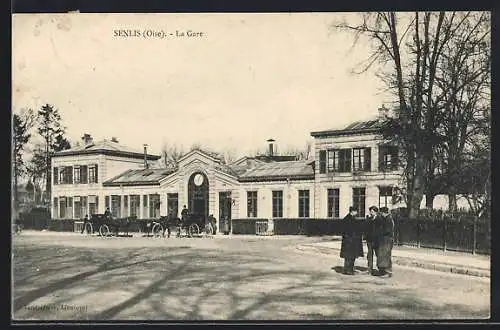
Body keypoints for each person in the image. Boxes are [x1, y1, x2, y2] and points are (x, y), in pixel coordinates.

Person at [340, 206, 364, 275]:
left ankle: (348, 269)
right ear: (352, 211)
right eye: (356, 211)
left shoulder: (350, 218)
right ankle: (348, 270)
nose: (357, 213)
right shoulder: (348, 219)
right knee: (349, 256)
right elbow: (348, 231)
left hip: (350, 241)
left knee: (351, 256)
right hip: (349, 241)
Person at [373, 206, 394, 277]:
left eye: (381, 213)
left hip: (387, 240)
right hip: (383, 240)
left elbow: (387, 230)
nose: (381, 214)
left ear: (384, 213)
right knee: (383, 255)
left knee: (386, 255)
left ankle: (387, 272)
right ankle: (383, 271)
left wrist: (380, 232)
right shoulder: (385, 219)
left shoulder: (388, 220)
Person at [365, 206, 378, 275]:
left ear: (376, 212)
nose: (371, 213)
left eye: (372, 211)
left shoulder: (379, 219)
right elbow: (366, 228)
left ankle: (381, 268)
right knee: (370, 255)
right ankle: (370, 269)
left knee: (378, 254)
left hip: (376, 240)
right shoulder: (369, 219)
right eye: (370, 211)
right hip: (369, 240)